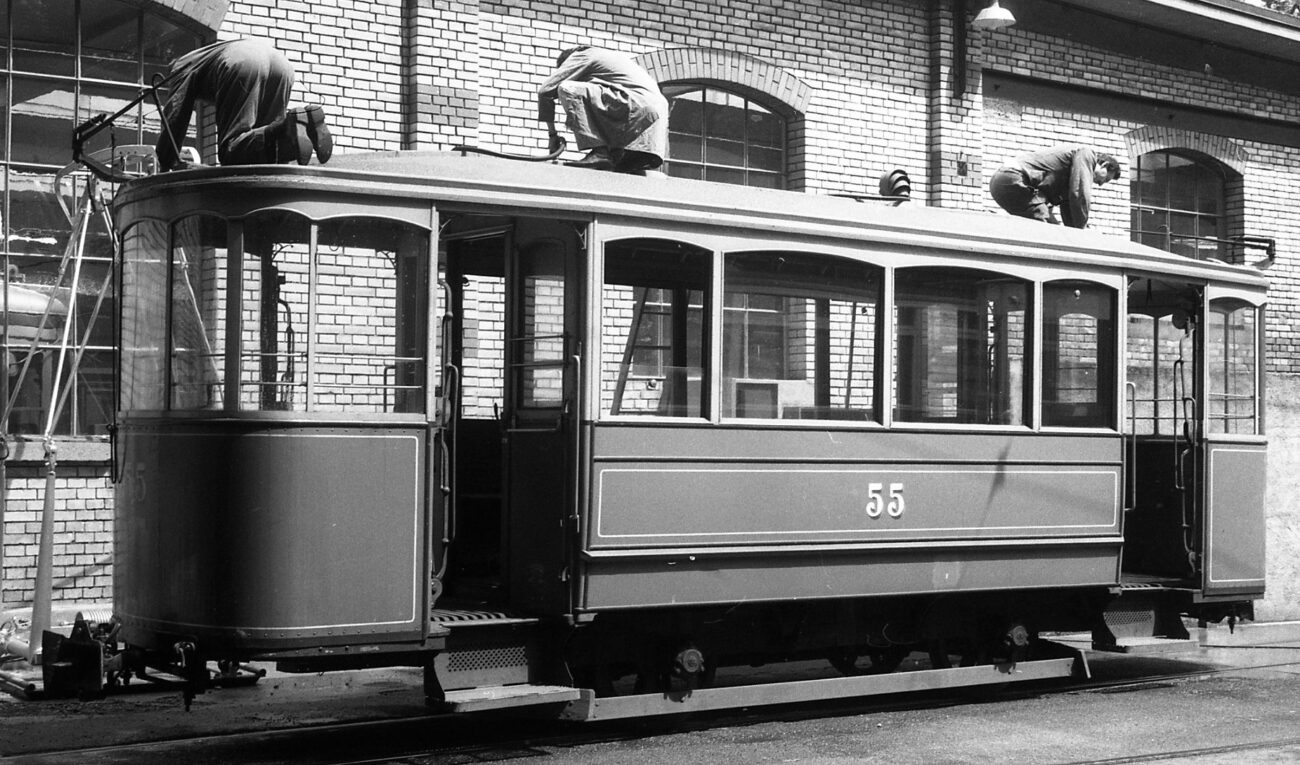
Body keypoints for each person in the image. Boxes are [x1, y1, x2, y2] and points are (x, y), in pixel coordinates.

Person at [155, 38, 332, 172]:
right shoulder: (207, 54)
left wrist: (164, 163)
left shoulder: (180, 67)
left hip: (242, 63)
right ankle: (301, 125)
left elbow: (175, 116)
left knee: (231, 151)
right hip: (281, 64)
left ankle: (285, 127)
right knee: (267, 149)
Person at [537, 45, 668, 172]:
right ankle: (609, 153)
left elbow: (545, 91)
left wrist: (552, 135)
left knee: (567, 88)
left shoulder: (581, 55)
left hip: (637, 110)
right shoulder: (608, 63)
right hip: (652, 136)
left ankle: (600, 153)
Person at [988, 146, 1121, 228]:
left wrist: (1076, 233)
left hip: (1002, 184)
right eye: (1106, 178)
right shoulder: (1087, 153)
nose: (1101, 183)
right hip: (1013, 178)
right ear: (1104, 165)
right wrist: (1083, 230)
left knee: (1054, 229)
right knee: (1049, 230)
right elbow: (1080, 194)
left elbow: (1070, 208)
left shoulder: (1071, 176)